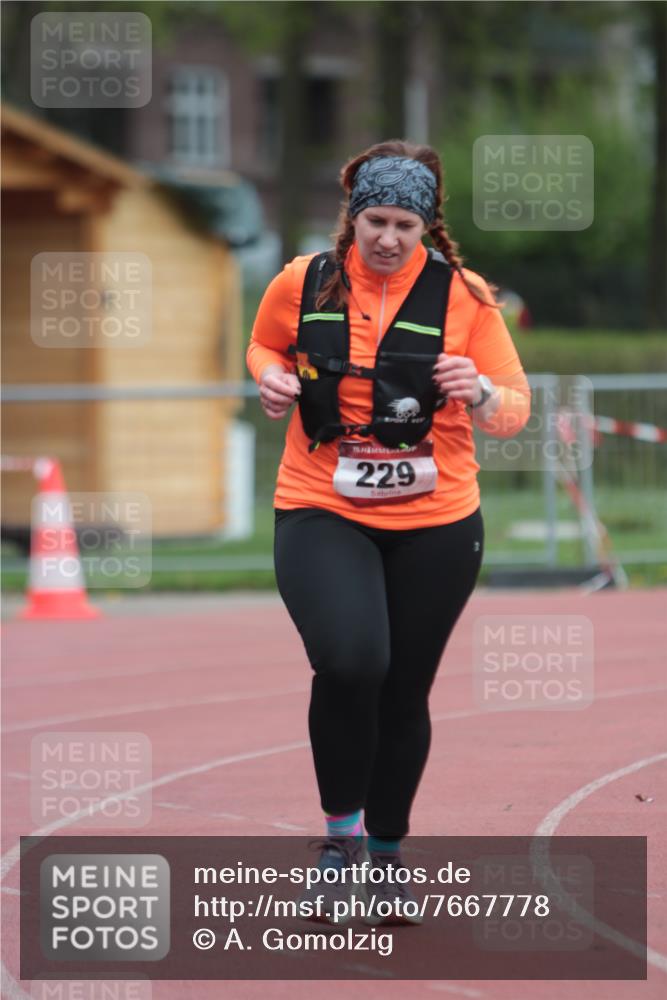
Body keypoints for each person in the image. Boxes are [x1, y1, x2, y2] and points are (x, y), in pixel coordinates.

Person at [246, 140, 530, 926]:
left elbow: (514, 408)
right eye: (375, 219)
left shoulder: (466, 297)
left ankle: (385, 858)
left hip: (436, 522)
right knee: (350, 660)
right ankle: (336, 847)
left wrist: (476, 391)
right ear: (353, 216)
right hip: (320, 504)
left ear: (426, 227)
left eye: (404, 224)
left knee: (404, 688)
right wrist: (266, 375)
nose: (387, 238)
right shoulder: (302, 281)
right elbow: (266, 342)